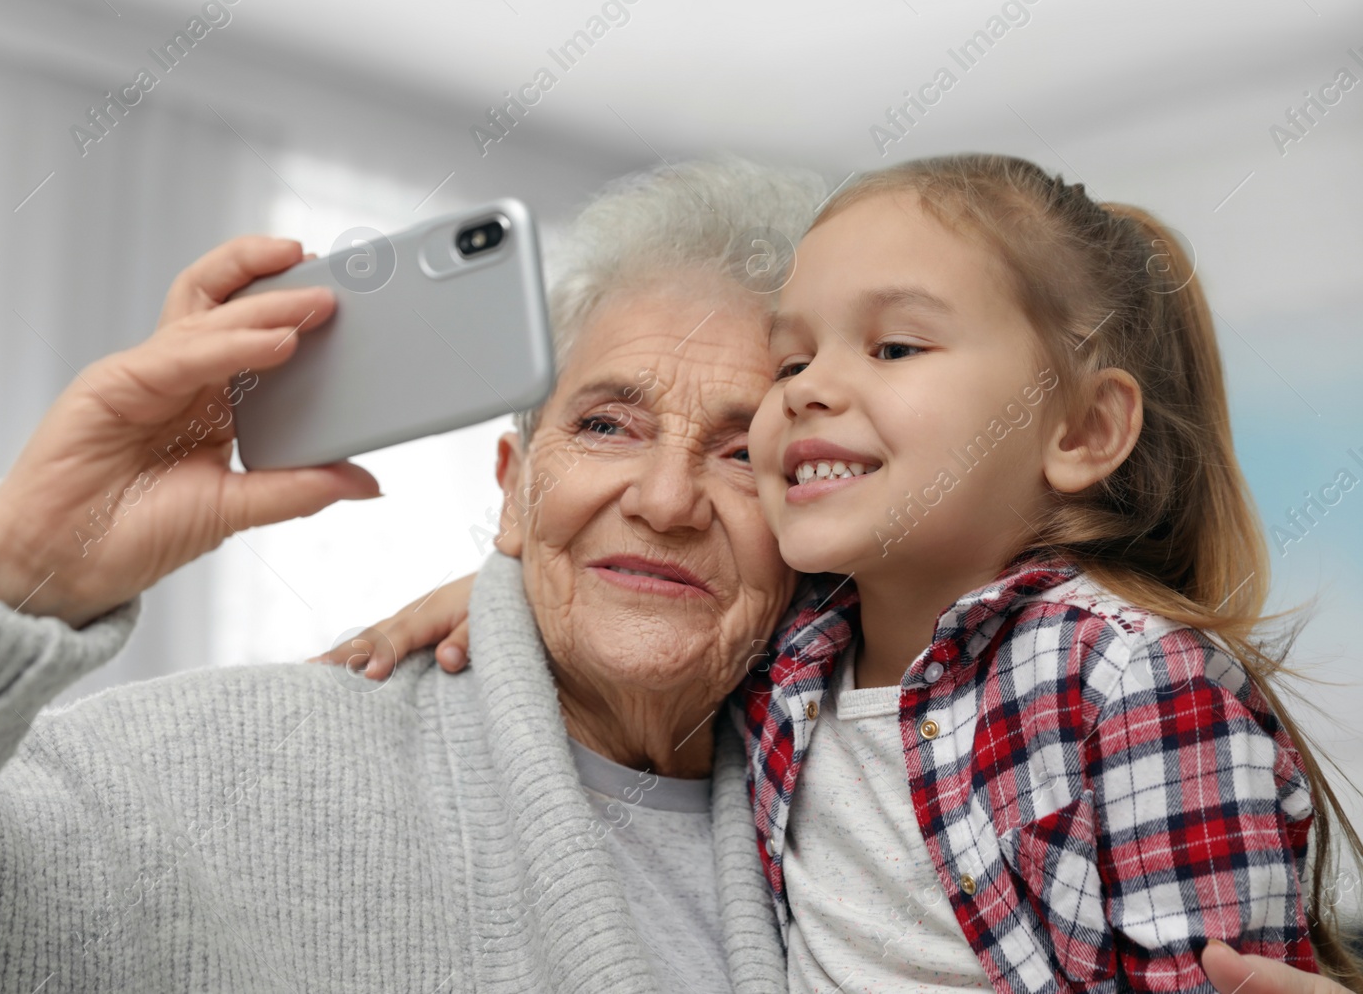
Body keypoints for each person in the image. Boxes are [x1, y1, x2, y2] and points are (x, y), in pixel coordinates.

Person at [0, 160, 827, 992]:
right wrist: (11, 578)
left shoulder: (871, 811)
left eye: (743, 453)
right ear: (512, 489)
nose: (666, 498)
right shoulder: (196, 775)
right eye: (604, 424)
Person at [350, 155, 1363, 993]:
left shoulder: (1127, 679)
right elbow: (655, 608)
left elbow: (1211, 972)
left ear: (1083, 428)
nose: (815, 387)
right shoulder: (802, 651)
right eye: (791, 362)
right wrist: (514, 589)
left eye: (892, 344)